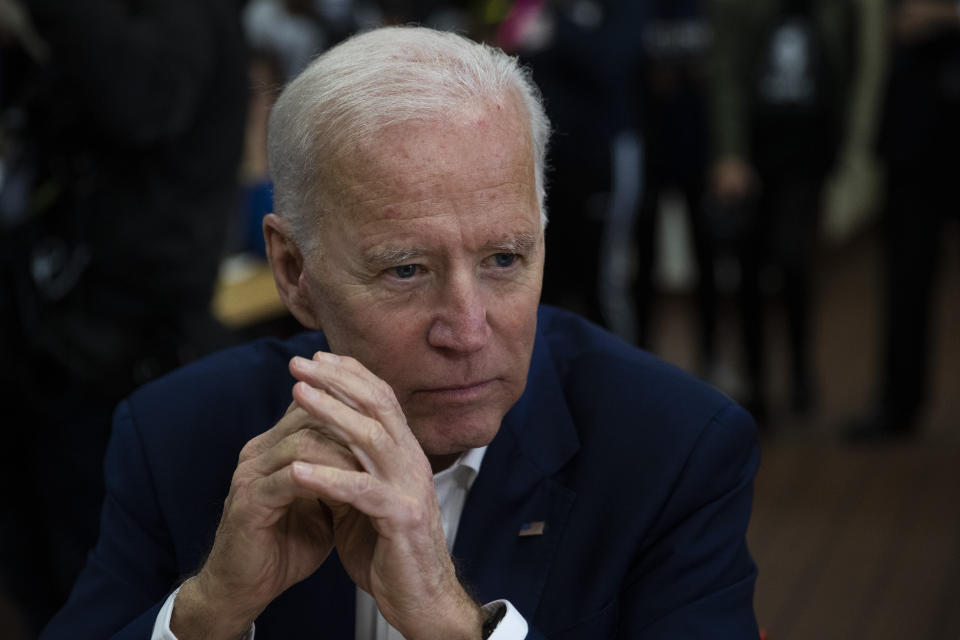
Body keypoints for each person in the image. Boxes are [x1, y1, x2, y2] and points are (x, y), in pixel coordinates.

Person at [43, 26, 761, 639]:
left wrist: (454, 626)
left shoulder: (674, 449)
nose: (468, 328)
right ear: (294, 271)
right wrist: (205, 613)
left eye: (503, 260)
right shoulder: (178, 434)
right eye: (407, 270)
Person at [0, 0, 247, 632]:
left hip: (131, 352)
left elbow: (142, 101)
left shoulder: (179, 22)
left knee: (110, 583)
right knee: (42, 573)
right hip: (51, 341)